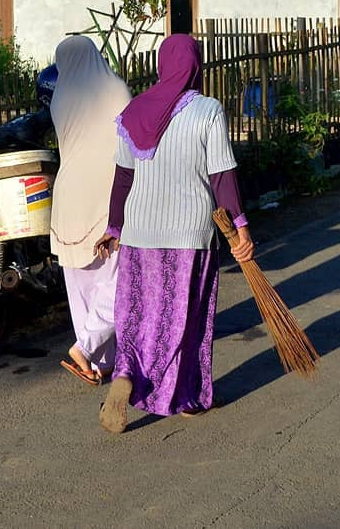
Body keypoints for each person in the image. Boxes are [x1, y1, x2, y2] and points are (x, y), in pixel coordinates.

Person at [95, 34, 253, 433]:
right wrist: (240, 227)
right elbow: (222, 176)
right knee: (184, 319)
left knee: (137, 315)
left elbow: (122, 179)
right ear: (196, 67)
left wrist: (114, 228)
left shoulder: (133, 112)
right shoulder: (208, 111)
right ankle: (187, 398)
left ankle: (125, 373)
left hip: (138, 233)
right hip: (188, 234)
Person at [51, 36, 132, 385]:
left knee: (81, 283)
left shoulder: (60, 96)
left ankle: (100, 360)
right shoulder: (116, 89)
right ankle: (87, 349)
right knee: (120, 278)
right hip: (107, 189)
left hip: (69, 193)